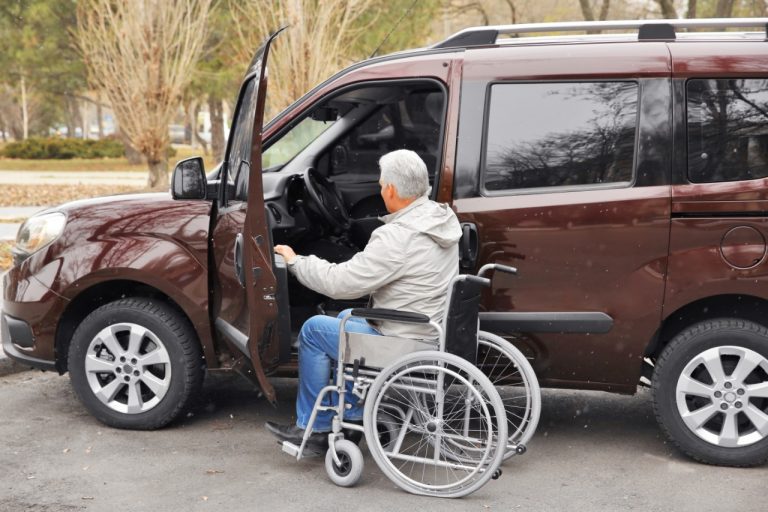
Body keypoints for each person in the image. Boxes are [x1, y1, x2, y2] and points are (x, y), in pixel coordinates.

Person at [265, 149, 462, 451]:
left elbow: (340, 283)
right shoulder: (440, 220)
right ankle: (352, 415)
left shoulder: (397, 237)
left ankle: (315, 428)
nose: (381, 189)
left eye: (382, 184)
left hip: (402, 342)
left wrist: (295, 261)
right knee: (346, 319)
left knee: (314, 329)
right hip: (430, 331)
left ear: (392, 190)